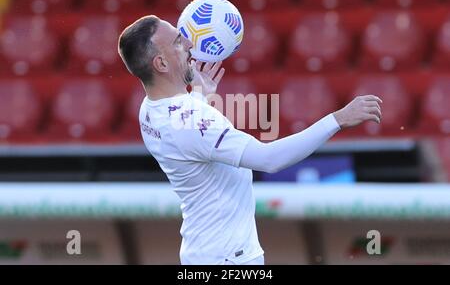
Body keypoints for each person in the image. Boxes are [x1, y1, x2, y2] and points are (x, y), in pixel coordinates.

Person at [118, 15, 382, 265]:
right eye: (178, 41)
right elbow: (270, 159)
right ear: (161, 64)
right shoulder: (191, 121)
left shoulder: (149, 109)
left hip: (203, 254)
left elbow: (185, 134)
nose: (189, 44)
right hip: (228, 260)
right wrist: (337, 119)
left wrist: (201, 96)